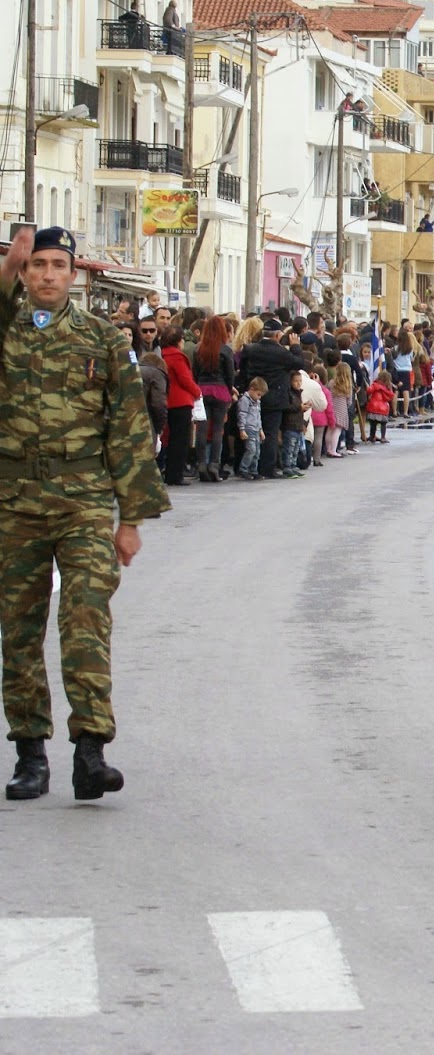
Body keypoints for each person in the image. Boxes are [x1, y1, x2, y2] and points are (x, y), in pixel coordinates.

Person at [0, 227, 170, 802]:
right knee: (19, 629)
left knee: (85, 617)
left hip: (83, 498)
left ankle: (91, 750)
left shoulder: (101, 339)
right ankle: (30, 753)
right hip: (14, 500)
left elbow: (127, 430)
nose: (47, 274)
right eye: (37, 265)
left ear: (74, 274)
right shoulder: (7, 330)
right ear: (24, 275)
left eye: (58, 265)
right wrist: (5, 271)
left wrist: (131, 519)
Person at [236, 317, 304, 479]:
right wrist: (295, 347)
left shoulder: (251, 349)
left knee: (249, 430)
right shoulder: (281, 353)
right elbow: (299, 363)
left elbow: (243, 370)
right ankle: (267, 468)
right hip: (275, 398)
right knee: (270, 433)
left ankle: (245, 466)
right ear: (278, 335)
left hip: (253, 395)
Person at [192, 315, 235, 482]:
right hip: (220, 389)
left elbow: (194, 373)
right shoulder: (225, 349)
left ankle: (201, 463)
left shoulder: (198, 348)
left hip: (202, 388)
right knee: (218, 430)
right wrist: (229, 390)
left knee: (201, 430)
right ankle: (214, 465)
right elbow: (230, 374)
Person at [159, 324, 200, 486]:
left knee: (169, 438)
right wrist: (197, 391)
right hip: (180, 401)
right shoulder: (177, 356)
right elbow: (185, 379)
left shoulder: (162, 355)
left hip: (167, 400)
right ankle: (175, 474)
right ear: (178, 341)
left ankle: (169, 471)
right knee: (180, 439)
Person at [236, 377, 266, 479]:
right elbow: (242, 415)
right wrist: (242, 429)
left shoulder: (257, 402)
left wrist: (260, 429)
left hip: (256, 429)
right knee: (251, 450)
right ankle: (243, 469)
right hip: (248, 428)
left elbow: (258, 416)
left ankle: (254, 470)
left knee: (257, 451)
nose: (259, 397)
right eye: (258, 394)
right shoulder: (245, 400)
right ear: (252, 389)